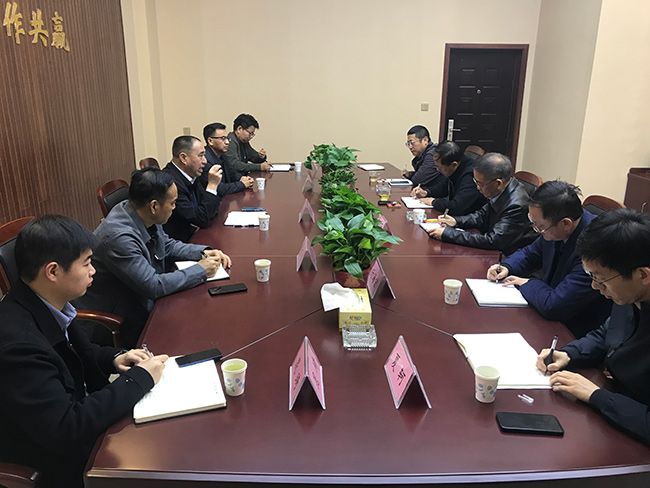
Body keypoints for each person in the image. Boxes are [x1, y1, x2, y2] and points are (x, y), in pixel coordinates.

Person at [0, 215, 168, 487]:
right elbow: (66, 427)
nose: (93, 271)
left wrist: (115, 357)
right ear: (53, 272)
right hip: (57, 462)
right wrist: (138, 380)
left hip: (79, 425)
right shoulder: (18, 346)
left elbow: (71, 353)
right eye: (87, 262)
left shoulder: (47, 302)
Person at [76, 168, 230, 347]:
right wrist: (201, 270)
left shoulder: (140, 212)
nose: (175, 207)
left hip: (138, 297)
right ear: (154, 206)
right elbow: (153, 286)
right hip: (119, 316)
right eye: (172, 203)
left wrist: (204, 251)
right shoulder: (119, 237)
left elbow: (167, 245)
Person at [537, 209, 650, 445]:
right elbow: (609, 331)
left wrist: (596, 396)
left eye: (601, 279)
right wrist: (570, 354)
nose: (595, 287)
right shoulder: (630, 293)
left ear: (643, 275)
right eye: (591, 276)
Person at [487, 181, 611, 337]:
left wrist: (526, 283)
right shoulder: (555, 227)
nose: (537, 231)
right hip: (545, 309)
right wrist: (506, 267)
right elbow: (530, 253)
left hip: (575, 329)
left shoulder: (594, 247)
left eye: (540, 227)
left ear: (565, 224)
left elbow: (556, 306)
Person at [427, 152, 536, 255]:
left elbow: (493, 240)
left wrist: (449, 234)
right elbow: (481, 215)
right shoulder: (500, 190)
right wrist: (456, 221)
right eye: (475, 182)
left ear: (498, 183)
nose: (477, 188)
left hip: (507, 257)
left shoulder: (516, 206)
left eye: (480, 183)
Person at [163, 135, 222, 242]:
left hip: (193, 235)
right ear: (183, 158)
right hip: (179, 242)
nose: (205, 161)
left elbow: (211, 210)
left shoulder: (190, 174)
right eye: (200, 155)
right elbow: (202, 219)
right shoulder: (171, 183)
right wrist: (212, 185)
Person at [410, 140, 486, 216]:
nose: (437, 170)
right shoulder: (456, 166)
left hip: (471, 218)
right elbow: (444, 186)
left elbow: (457, 207)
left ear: (454, 165)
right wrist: (427, 192)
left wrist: (433, 202)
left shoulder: (470, 175)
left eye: (439, 167)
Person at [202, 122, 254, 194]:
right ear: (210, 141)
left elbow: (231, 173)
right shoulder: (204, 161)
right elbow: (218, 188)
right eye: (223, 138)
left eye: (227, 138)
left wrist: (241, 178)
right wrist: (242, 184)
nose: (227, 142)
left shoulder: (222, 155)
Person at [222, 113, 272, 179]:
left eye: (253, 134)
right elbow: (235, 165)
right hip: (234, 180)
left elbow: (252, 156)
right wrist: (259, 167)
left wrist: (261, 156)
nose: (251, 136)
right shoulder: (230, 141)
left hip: (243, 178)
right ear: (239, 129)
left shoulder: (243, 141)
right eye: (250, 133)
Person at [403, 125, 447, 196]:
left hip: (439, 196)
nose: (410, 147)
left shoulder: (433, 155)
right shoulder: (424, 154)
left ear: (425, 140)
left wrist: (411, 175)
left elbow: (417, 180)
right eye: (408, 144)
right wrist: (410, 174)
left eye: (412, 143)